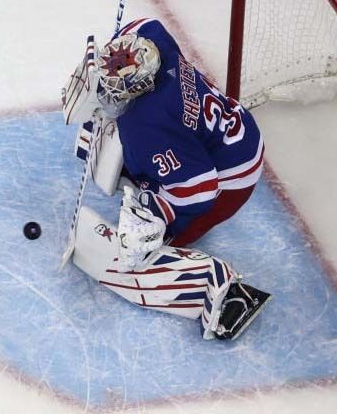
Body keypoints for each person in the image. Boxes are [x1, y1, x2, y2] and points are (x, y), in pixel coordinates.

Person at [63, 17, 269, 340]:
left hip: (233, 177)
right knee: (116, 145)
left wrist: (152, 214)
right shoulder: (149, 37)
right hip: (235, 128)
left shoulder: (144, 126)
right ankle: (154, 180)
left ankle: (222, 292)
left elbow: (202, 191)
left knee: (144, 248)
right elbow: (144, 23)